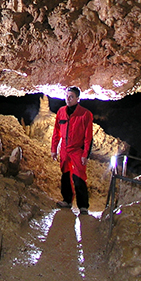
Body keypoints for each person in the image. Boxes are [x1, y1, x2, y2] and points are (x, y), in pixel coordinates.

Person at [51, 86, 93, 214]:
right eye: (67, 96)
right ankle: (67, 201)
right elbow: (56, 132)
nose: (68, 99)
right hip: (64, 149)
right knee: (65, 175)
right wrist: (54, 149)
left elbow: (88, 137)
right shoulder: (61, 112)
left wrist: (85, 154)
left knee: (79, 178)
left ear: (77, 99)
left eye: (71, 97)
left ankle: (83, 206)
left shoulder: (85, 114)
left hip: (77, 150)